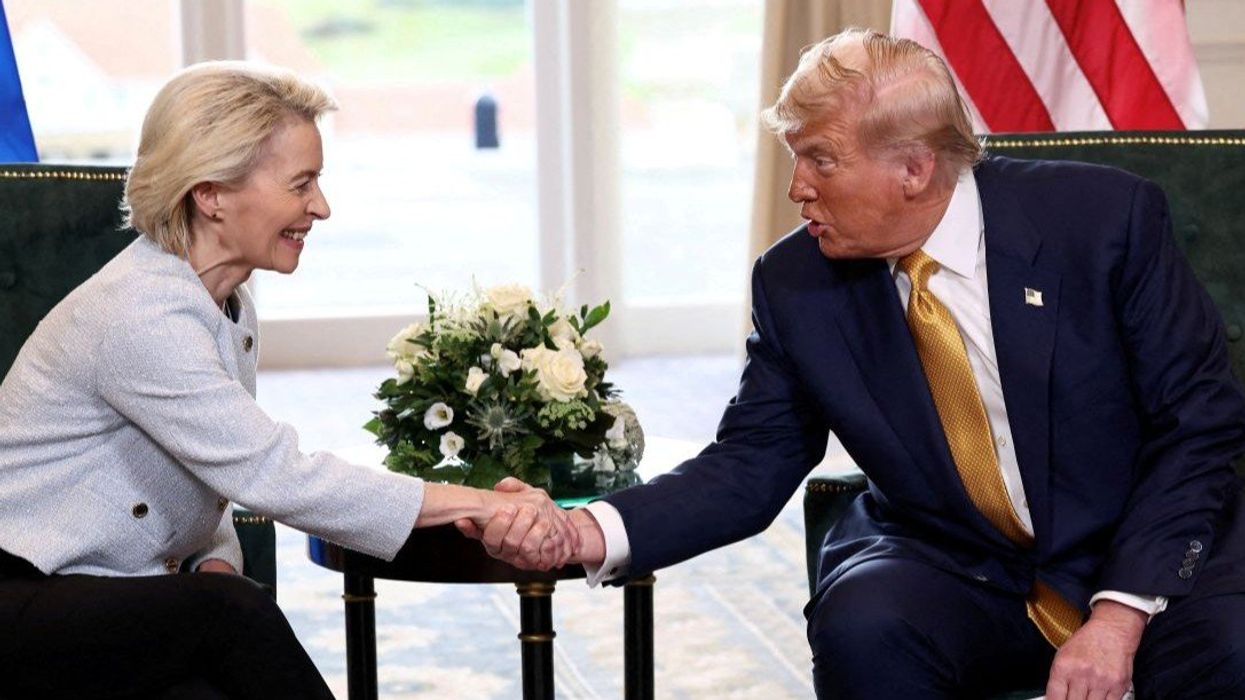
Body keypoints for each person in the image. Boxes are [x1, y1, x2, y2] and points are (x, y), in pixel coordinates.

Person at [463, 29, 1245, 699]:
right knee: (865, 624)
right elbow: (752, 460)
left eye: (820, 160)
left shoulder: (1101, 222)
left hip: (1142, 548)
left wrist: (1117, 613)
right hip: (955, 561)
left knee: (1229, 648)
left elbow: (1198, 426)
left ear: (912, 169)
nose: (797, 188)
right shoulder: (795, 280)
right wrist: (581, 532)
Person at [0, 61, 576, 699]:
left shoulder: (226, 299)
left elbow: (205, 460)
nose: (320, 208)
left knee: (219, 641)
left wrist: (213, 561)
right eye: (301, 184)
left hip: (108, 592)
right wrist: (481, 501)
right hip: (21, 593)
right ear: (211, 193)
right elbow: (275, 474)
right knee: (231, 614)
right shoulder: (141, 313)